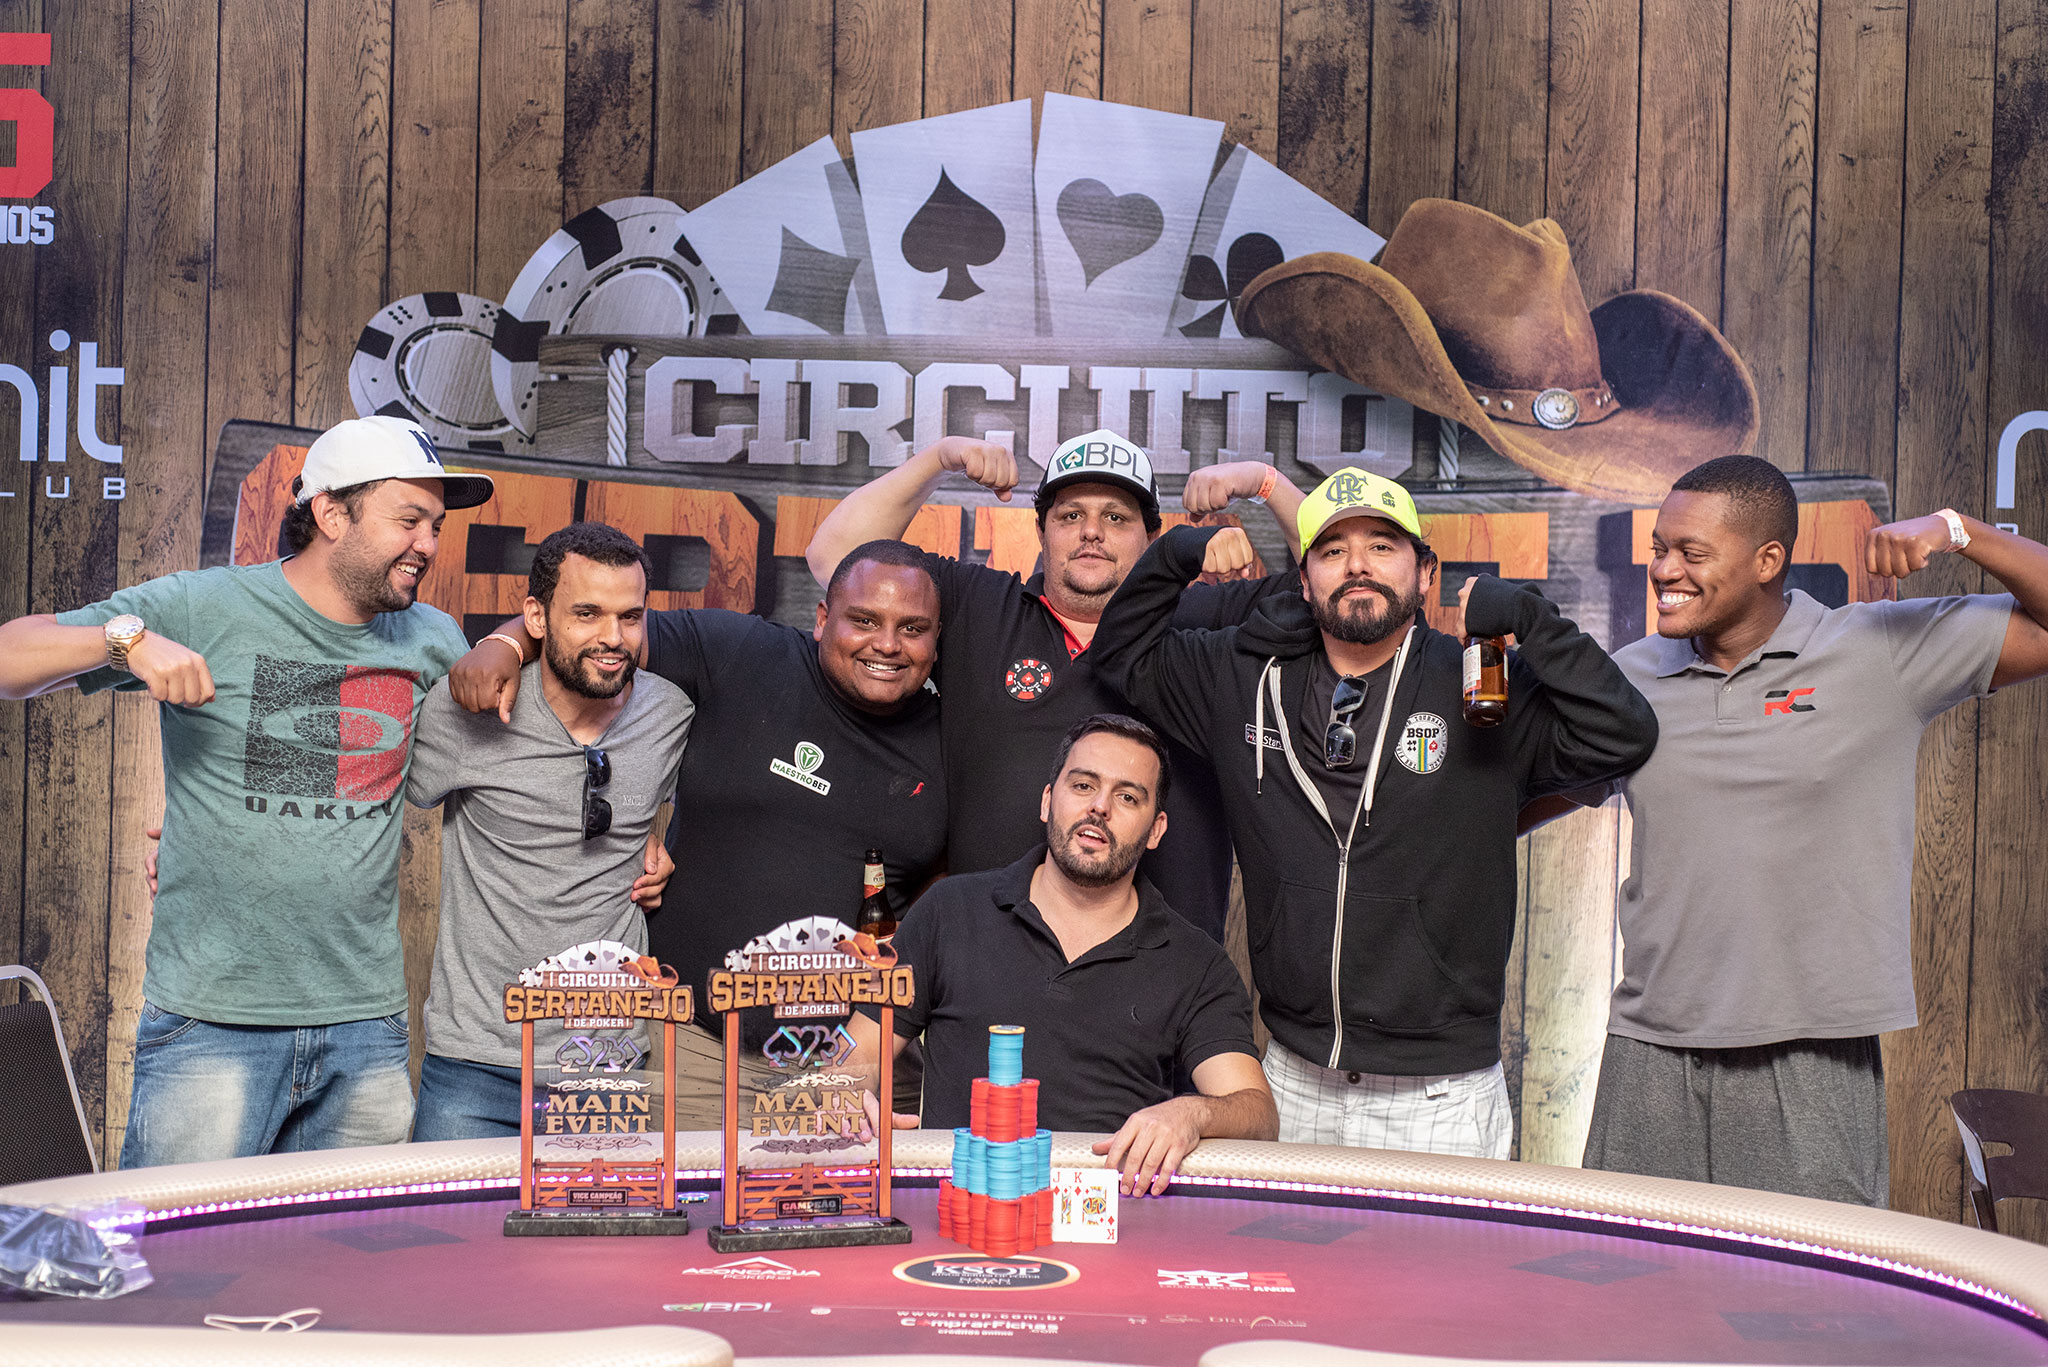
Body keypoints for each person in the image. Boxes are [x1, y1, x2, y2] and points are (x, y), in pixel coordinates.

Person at [1088, 468, 1658, 1158]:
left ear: (1425, 575)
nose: (1357, 564)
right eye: (1332, 551)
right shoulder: (1243, 675)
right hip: (1293, 1078)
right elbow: (1120, 655)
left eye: (1382, 546)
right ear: (1304, 583)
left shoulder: (1482, 687)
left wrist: (1531, 619)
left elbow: (1622, 733)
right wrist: (1180, 551)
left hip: (1440, 1097)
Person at [1549, 455, 2048, 1205]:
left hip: (1809, 1060)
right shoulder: (1631, 676)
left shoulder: (1878, 650)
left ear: (1767, 560)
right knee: (1630, 1277)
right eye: (1658, 548)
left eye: (1691, 552)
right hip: (1649, 1055)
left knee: (1805, 1284)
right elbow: (1516, 796)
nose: (1663, 570)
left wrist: (1958, 530)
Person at [0, 416, 496, 1166]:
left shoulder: (431, 637)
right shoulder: (204, 606)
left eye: (436, 525)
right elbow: (11, 655)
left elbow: (507, 752)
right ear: (332, 514)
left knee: (349, 1245)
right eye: (409, 520)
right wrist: (126, 641)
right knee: (182, 1243)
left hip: (366, 1028)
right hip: (213, 1022)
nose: (428, 544)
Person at [447, 538, 947, 1129]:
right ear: (821, 619)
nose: (887, 644)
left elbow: (951, 913)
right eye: (863, 620)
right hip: (691, 1049)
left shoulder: (952, 749)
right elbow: (601, 629)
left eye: (912, 629)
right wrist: (505, 642)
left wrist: (863, 1056)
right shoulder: (743, 654)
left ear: (938, 640)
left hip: (849, 1064)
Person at [806, 430, 1305, 941]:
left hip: (1168, 965)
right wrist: (937, 459)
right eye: (1070, 516)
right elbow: (834, 557)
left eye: (1116, 517)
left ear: (1153, 537)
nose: (1092, 532)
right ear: (1041, 531)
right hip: (990, 956)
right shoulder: (978, 605)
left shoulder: (1208, 618)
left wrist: (1266, 483)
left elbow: (1331, 590)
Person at [851, 714, 1277, 1195]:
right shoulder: (948, 912)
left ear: (1156, 830)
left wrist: (1192, 1113)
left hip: (1111, 1215)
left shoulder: (1195, 963)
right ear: (1048, 800)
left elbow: (1258, 1113)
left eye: (1127, 797)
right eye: (1083, 785)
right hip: (963, 1208)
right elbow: (858, 1053)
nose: (1099, 807)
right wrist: (846, 1093)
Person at [405, 523, 691, 1140]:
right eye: (587, 614)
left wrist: (665, 849)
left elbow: (730, 809)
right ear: (535, 616)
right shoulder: (468, 710)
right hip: (475, 1059)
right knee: (452, 1209)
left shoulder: (670, 714)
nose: (612, 638)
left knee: (599, 1211)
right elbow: (367, 803)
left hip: (608, 1060)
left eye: (630, 617)